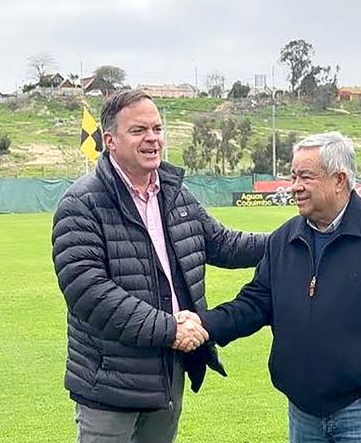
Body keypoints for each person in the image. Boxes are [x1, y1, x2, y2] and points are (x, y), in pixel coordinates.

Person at [51, 89, 267, 443]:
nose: (152, 138)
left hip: (167, 375)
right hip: (110, 384)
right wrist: (170, 329)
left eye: (157, 128)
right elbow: (89, 292)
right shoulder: (82, 203)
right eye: (138, 130)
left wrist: (291, 238)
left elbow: (223, 244)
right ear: (110, 141)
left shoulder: (175, 194)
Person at [190, 132, 361, 442]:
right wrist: (204, 324)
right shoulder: (284, 239)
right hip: (302, 413)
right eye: (293, 176)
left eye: (306, 177)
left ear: (339, 180)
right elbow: (254, 304)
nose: (295, 186)